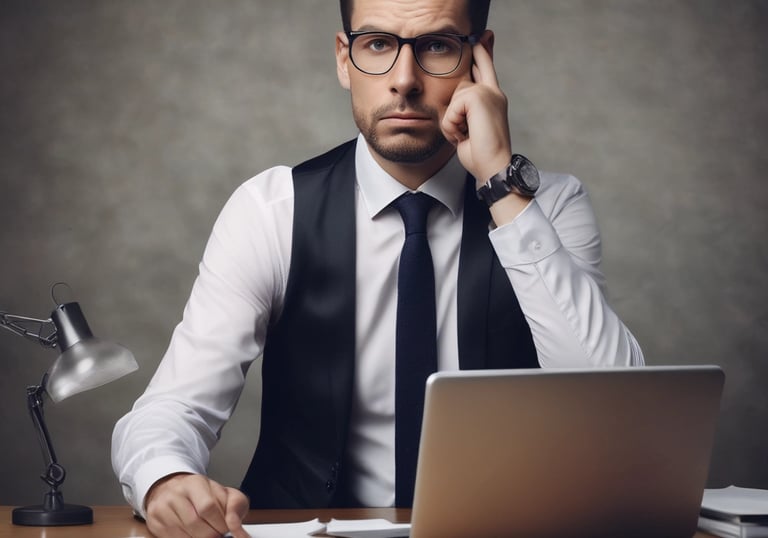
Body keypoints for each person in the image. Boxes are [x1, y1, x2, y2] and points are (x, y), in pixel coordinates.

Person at [112, 0, 645, 536]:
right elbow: (175, 406)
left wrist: (501, 183)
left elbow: (617, 413)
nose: (404, 80)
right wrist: (166, 478)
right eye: (378, 44)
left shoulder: (547, 207)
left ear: (480, 58)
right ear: (344, 59)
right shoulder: (272, 211)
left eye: (436, 45)